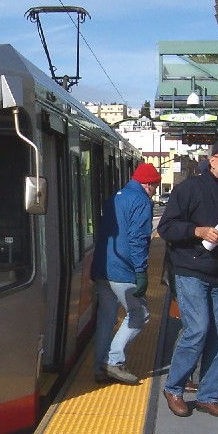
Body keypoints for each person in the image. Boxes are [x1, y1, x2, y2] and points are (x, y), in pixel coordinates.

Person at [158, 136, 218, 418]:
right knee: (197, 329)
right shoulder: (189, 189)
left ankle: (208, 396)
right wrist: (197, 231)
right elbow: (167, 227)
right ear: (211, 161)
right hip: (192, 271)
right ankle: (174, 388)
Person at [91, 162, 161, 385]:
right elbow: (138, 239)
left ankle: (98, 367)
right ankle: (114, 361)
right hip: (123, 269)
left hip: (103, 267)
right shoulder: (141, 200)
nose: (155, 192)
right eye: (155, 187)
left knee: (106, 318)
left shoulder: (114, 197)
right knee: (139, 314)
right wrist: (141, 272)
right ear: (148, 185)